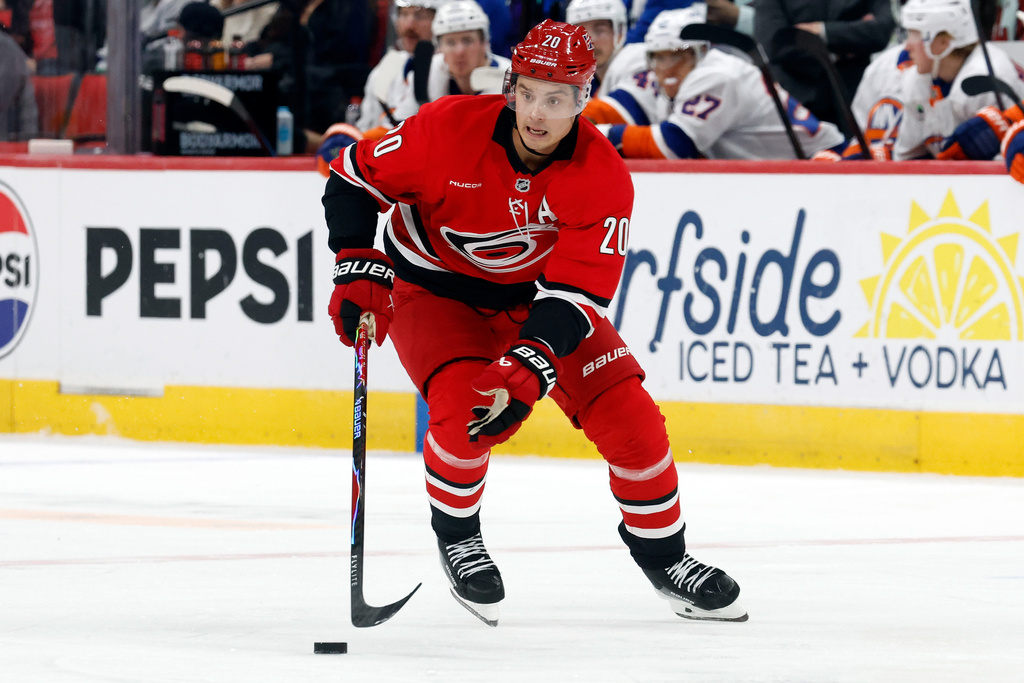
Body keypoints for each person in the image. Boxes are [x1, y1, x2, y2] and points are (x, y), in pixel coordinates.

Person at [321, 18, 747, 626]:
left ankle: (664, 557)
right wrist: (357, 261)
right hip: (436, 290)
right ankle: (460, 536)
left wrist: (531, 363)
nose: (539, 113)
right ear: (510, 88)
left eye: (558, 99)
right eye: (528, 94)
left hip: (541, 302)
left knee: (631, 419)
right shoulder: (446, 128)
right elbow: (350, 179)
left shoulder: (601, 174)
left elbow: (575, 294)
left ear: (583, 100)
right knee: (467, 411)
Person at [584, 7, 844, 159]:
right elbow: (619, 107)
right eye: (659, 56)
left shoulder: (719, 75)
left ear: (700, 52)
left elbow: (675, 145)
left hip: (821, 161)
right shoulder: (664, 72)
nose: (666, 66)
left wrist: (595, 134)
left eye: (677, 54)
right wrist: (570, 121)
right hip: (770, 171)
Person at [842, 0, 1024, 161]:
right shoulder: (916, 80)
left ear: (944, 42)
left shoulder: (987, 79)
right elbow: (907, 156)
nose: (907, 46)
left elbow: (1009, 163)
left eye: (915, 34)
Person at [755, 0, 895, 134]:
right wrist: (841, 52)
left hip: (855, 95)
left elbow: (881, 31)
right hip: (801, 96)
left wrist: (822, 30)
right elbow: (775, 42)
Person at [389, 0, 511, 121]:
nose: (459, 51)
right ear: (439, 47)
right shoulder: (426, 71)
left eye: (467, 41)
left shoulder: (510, 80)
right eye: (450, 42)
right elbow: (402, 122)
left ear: (484, 43)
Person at [356, 0, 447, 134]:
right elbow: (364, 129)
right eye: (404, 14)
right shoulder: (387, 67)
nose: (409, 25)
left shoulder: (453, 68)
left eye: (420, 15)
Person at [565, 0, 630, 96]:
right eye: (581, 33)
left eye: (599, 30)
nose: (590, 42)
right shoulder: (586, 83)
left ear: (620, 32)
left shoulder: (635, 68)